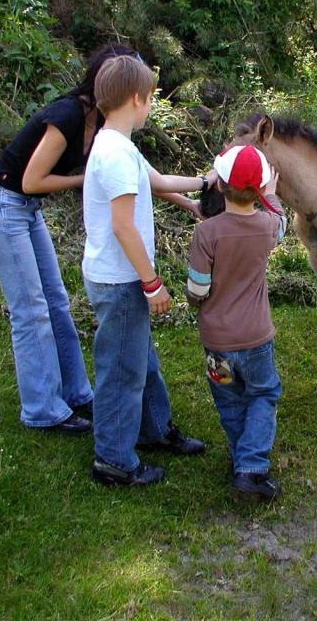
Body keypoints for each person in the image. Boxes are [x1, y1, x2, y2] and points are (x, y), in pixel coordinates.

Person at [0, 44, 199, 435]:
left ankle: (78, 394)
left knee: (57, 302)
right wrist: (92, 178)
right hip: (1, 204)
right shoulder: (68, 114)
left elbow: (145, 179)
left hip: (26, 209)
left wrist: (192, 203)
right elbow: (32, 180)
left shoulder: (111, 128)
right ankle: (43, 408)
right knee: (31, 310)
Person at [83, 54, 208, 486]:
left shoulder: (118, 144)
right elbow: (122, 225)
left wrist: (201, 187)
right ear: (137, 98)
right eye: (151, 98)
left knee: (140, 359)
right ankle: (113, 460)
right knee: (121, 370)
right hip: (121, 280)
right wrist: (152, 284)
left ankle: (153, 429)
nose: (150, 106)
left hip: (122, 277)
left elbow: (155, 181)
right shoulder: (114, 154)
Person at [185, 144, 287, 501]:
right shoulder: (267, 227)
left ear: (221, 185)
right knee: (262, 393)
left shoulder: (206, 234)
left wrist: (194, 302)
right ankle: (252, 466)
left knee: (229, 399)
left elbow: (197, 289)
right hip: (257, 339)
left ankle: (240, 458)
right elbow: (282, 222)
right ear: (259, 188)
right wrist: (271, 195)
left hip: (217, 342)